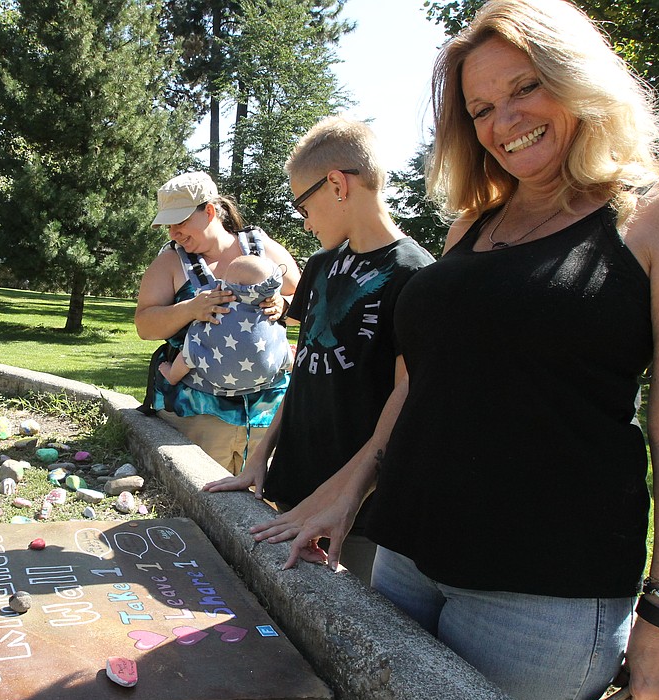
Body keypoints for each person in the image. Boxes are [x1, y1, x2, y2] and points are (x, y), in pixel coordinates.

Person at [275, 0, 659, 700]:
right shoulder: (473, 224)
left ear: (578, 75)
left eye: (525, 87)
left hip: (541, 593)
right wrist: (347, 490)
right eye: (481, 106)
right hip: (404, 556)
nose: (504, 119)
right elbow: (419, 382)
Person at [204, 117, 435, 584]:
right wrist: (258, 459)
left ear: (336, 184)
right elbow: (307, 369)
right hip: (292, 487)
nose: (303, 221)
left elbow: (406, 404)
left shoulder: (417, 276)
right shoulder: (321, 265)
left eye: (301, 204)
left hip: (360, 513)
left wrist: (338, 499)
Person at [135, 171, 301, 474]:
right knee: (202, 503)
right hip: (199, 417)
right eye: (169, 225)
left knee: (267, 508)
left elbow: (306, 299)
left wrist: (284, 304)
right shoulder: (171, 263)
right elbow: (145, 325)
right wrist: (190, 309)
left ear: (209, 211)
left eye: (181, 222)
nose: (174, 233)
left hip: (269, 413)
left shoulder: (261, 249)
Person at [159, 253, 293, 395]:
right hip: (266, 374)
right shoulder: (269, 305)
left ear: (235, 284)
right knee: (279, 341)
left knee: (192, 345)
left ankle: (172, 376)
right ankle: (294, 366)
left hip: (216, 376)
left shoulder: (219, 298)